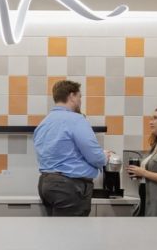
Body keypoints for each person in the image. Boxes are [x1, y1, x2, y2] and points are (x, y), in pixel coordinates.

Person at [33, 79, 109, 216]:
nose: (80, 101)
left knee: (56, 228)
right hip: (69, 186)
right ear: (72, 96)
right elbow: (95, 157)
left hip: (46, 183)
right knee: (72, 229)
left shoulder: (44, 123)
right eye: (80, 97)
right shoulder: (76, 120)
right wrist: (105, 157)